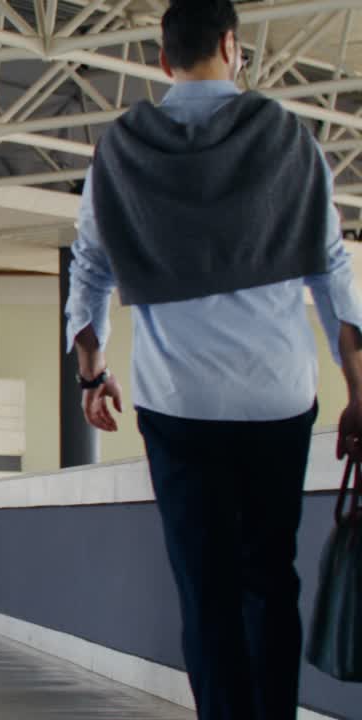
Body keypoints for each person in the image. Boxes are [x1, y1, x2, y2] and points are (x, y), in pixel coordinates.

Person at [66, 1, 362, 717]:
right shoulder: (289, 138)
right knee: (271, 579)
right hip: (277, 402)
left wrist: (92, 371)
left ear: (164, 60)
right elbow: (331, 272)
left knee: (207, 590)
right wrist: (358, 388)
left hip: (179, 405)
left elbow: (90, 268)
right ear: (232, 48)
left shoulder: (122, 149)